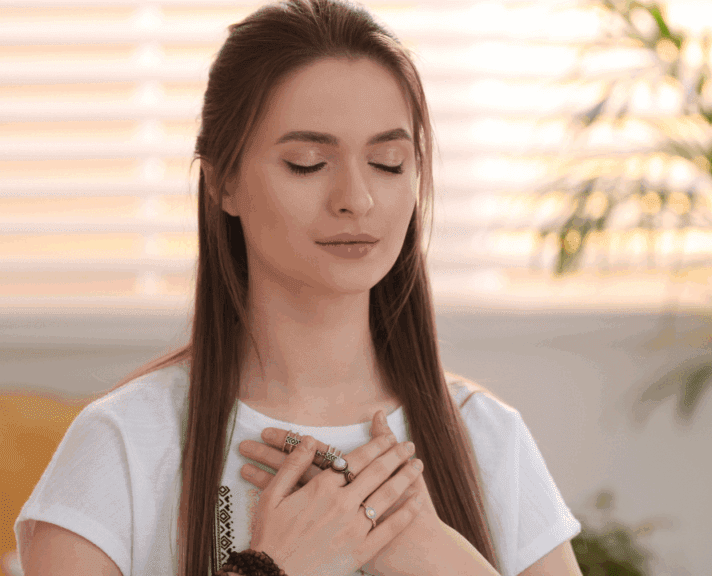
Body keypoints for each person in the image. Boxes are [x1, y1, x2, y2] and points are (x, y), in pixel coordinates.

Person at [14, 1, 583, 575]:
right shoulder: (123, 446)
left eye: (389, 163)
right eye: (308, 162)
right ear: (224, 181)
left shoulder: (487, 437)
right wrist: (274, 568)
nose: (356, 198)